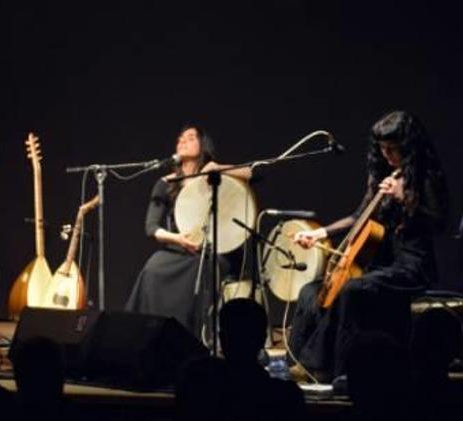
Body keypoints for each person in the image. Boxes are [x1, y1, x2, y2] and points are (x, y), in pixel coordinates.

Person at [289, 110, 449, 382]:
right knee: (310, 291)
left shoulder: (427, 176)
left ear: (408, 147)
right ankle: (294, 360)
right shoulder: (383, 177)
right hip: (381, 264)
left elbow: (439, 223)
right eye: (383, 148)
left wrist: (404, 198)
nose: (386, 155)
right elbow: (357, 217)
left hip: (412, 266)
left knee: (353, 289)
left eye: (393, 149)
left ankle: (336, 371)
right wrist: (321, 234)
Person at [125, 125, 251, 338]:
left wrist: (219, 168)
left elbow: (251, 172)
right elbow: (151, 227)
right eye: (180, 139)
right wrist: (178, 239)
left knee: (203, 272)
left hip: (211, 252)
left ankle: (192, 337)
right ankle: (150, 335)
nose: (182, 141)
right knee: (152, 270)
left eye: (190, 138)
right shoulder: (165, 183)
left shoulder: (215, 177)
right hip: (179, 248)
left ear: (203, 145)